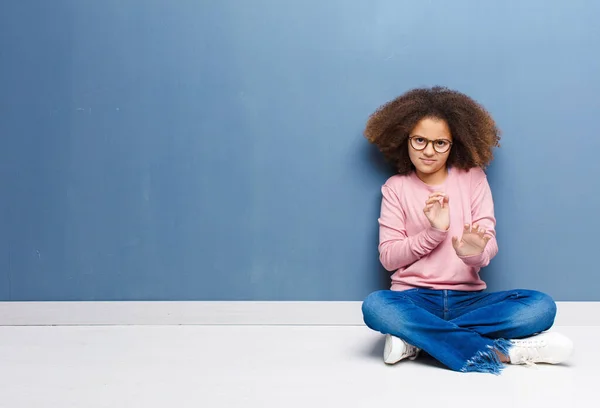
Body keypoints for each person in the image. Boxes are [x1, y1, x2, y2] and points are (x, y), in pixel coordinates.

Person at [361, 86, 573, 374]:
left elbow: (488, 244)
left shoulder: (473, 179)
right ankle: (506, 352)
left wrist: (473, 253)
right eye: (420, 140)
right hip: (413, 299)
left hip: (469, 301)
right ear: (405, 139)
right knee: (376, 306)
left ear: (454, 143)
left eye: (440, 143)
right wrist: (434, 233)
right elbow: (388, 258)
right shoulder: (396, 188)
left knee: (540, 306)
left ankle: (417, 341)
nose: (428, 151)